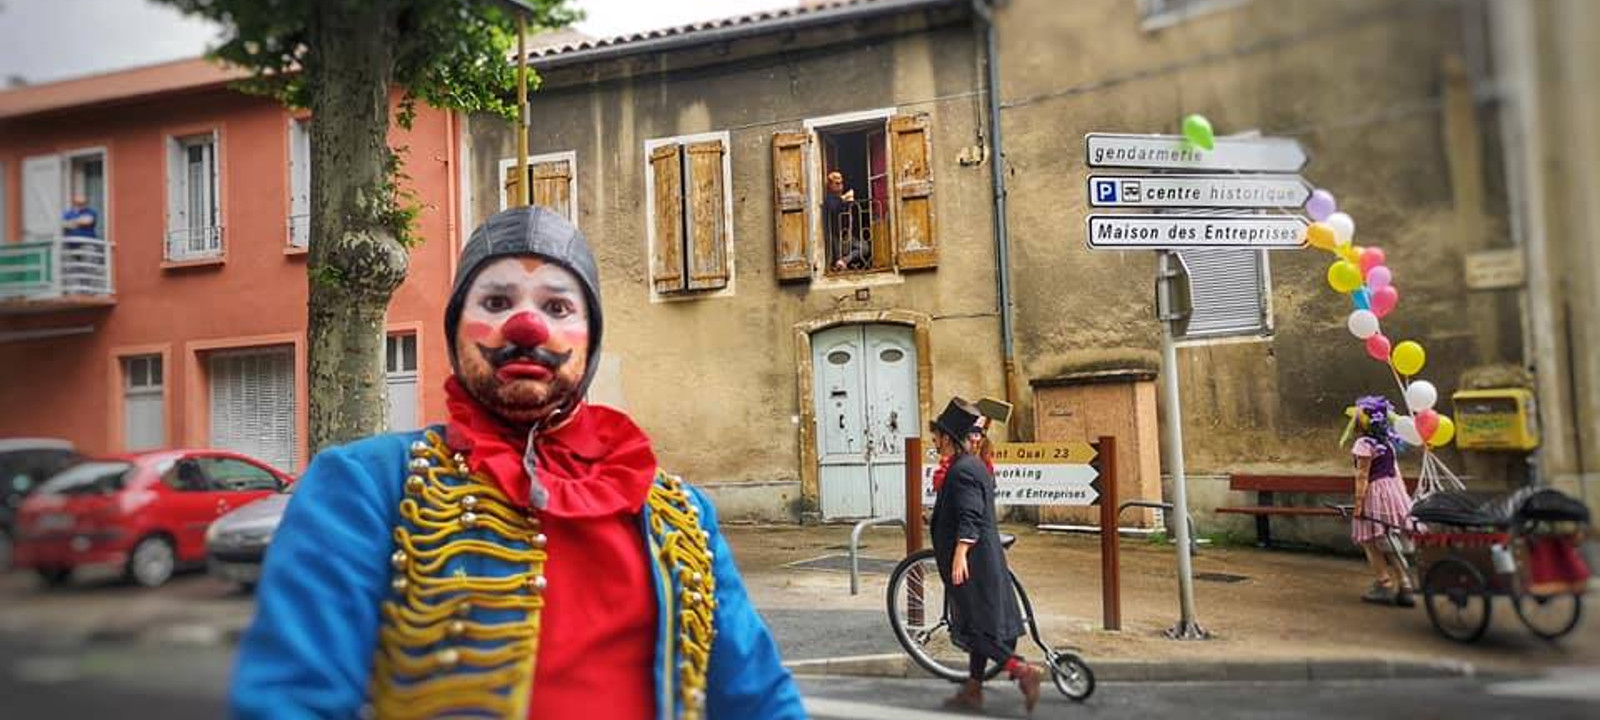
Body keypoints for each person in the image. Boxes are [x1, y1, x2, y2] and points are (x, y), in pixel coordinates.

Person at [231, 206, 804, 719]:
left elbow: (759, 700)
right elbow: (289, 701)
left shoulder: (681, 511)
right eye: (496, 302)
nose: (527, 326)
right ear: (455, 330)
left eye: (557, 306)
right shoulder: (364, 486)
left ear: (590, 338)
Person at [928, 397, 1045, 715]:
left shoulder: (963, 470)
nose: (934, 441)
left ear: (950, 437)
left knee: (971, 630)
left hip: (973, 563)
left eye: (938, 435)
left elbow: (970, 514)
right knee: (979, 625)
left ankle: (1022, 671)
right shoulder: (972, 465)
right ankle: (973, 690)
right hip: (984, 559)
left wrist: (961, 552)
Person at [1348, 395, 1416, 607]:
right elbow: (1394, 472)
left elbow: (1362, 476)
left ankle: (1384, 583)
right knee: (1391, 540)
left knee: (1369, 540)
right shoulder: (1388, 442)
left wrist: (1358, 505)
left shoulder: (1363, 444)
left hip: (1375, 493)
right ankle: (1405, 584)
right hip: (1393, 491)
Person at [823, 170, 870, 271]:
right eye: (837, 183)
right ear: (830, 185)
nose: (840, 186)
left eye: (841, 183)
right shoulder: (829, 198)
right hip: (835, 236)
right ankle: (839, 264)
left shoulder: (842, 197)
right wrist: (844, 199)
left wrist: (848, 200)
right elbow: (833, 208)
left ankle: (844, 261)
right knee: (836, 261)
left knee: (865, 248)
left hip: (847, 235)